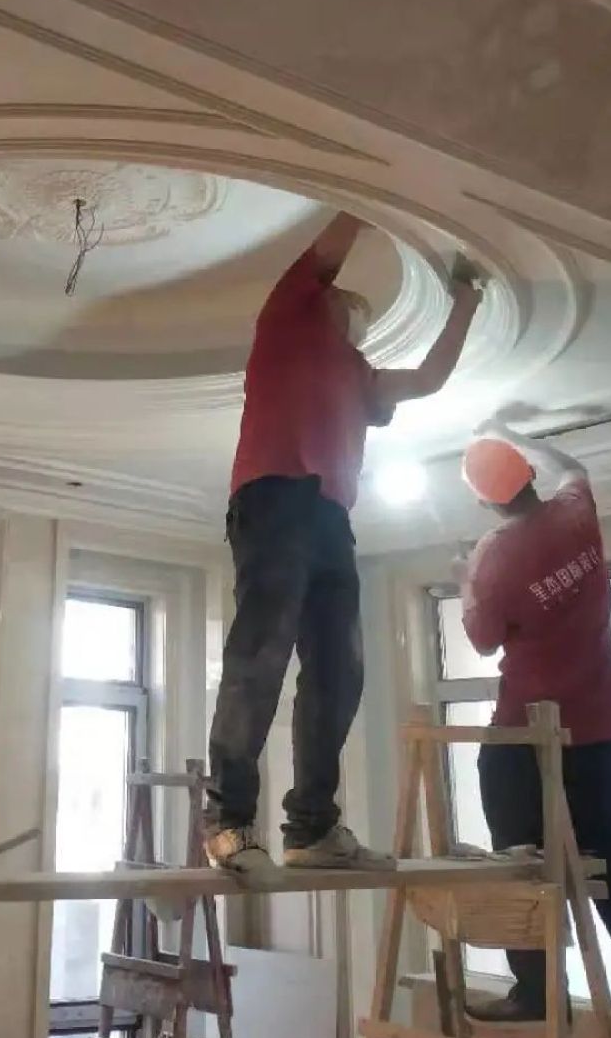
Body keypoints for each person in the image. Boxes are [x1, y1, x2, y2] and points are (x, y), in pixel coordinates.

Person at [203, 213, 485, 874]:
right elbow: (329, 249)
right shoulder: (287, 323)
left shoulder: (360, 375)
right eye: (346, 304)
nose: (353, 313)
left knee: (338, 669)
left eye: (359, 314)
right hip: (275, 495)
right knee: (262, 652)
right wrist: (368, 197)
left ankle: (311, 828)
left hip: (331, 517)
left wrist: (466, 302)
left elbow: (430, 378)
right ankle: (228, 820)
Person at [458, 423, 611, 1022]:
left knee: (520, 865)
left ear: (484, 502)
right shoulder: (576, 514)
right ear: (528, 476)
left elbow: (482, 640)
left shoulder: (495, 556)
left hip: (526, 737)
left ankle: (538, 995)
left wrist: (466, 578)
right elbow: (573, 467)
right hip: (601, 724)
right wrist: (512, 433)